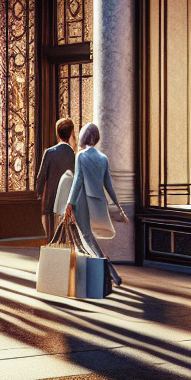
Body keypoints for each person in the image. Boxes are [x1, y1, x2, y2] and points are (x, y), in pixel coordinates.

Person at [67, 122, 128, 287]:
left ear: (83, 137)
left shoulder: (81, 155)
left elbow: (78, 181)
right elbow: (108, 185)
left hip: (83, 202)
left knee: (87, 238)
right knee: (90, 238)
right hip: (99, 203)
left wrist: (69, 203)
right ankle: (105, 273)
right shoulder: (103, 158)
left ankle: (111, 273)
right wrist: (118, 205)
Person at [36, 117, 77, 240]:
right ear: (70, 133)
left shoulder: (50, 152)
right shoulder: (73, 154)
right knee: (65, 234)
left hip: (51, 198)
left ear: (57, 133)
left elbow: (41, 178)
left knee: (51, 236)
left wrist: (38, 195)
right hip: (67, 200)